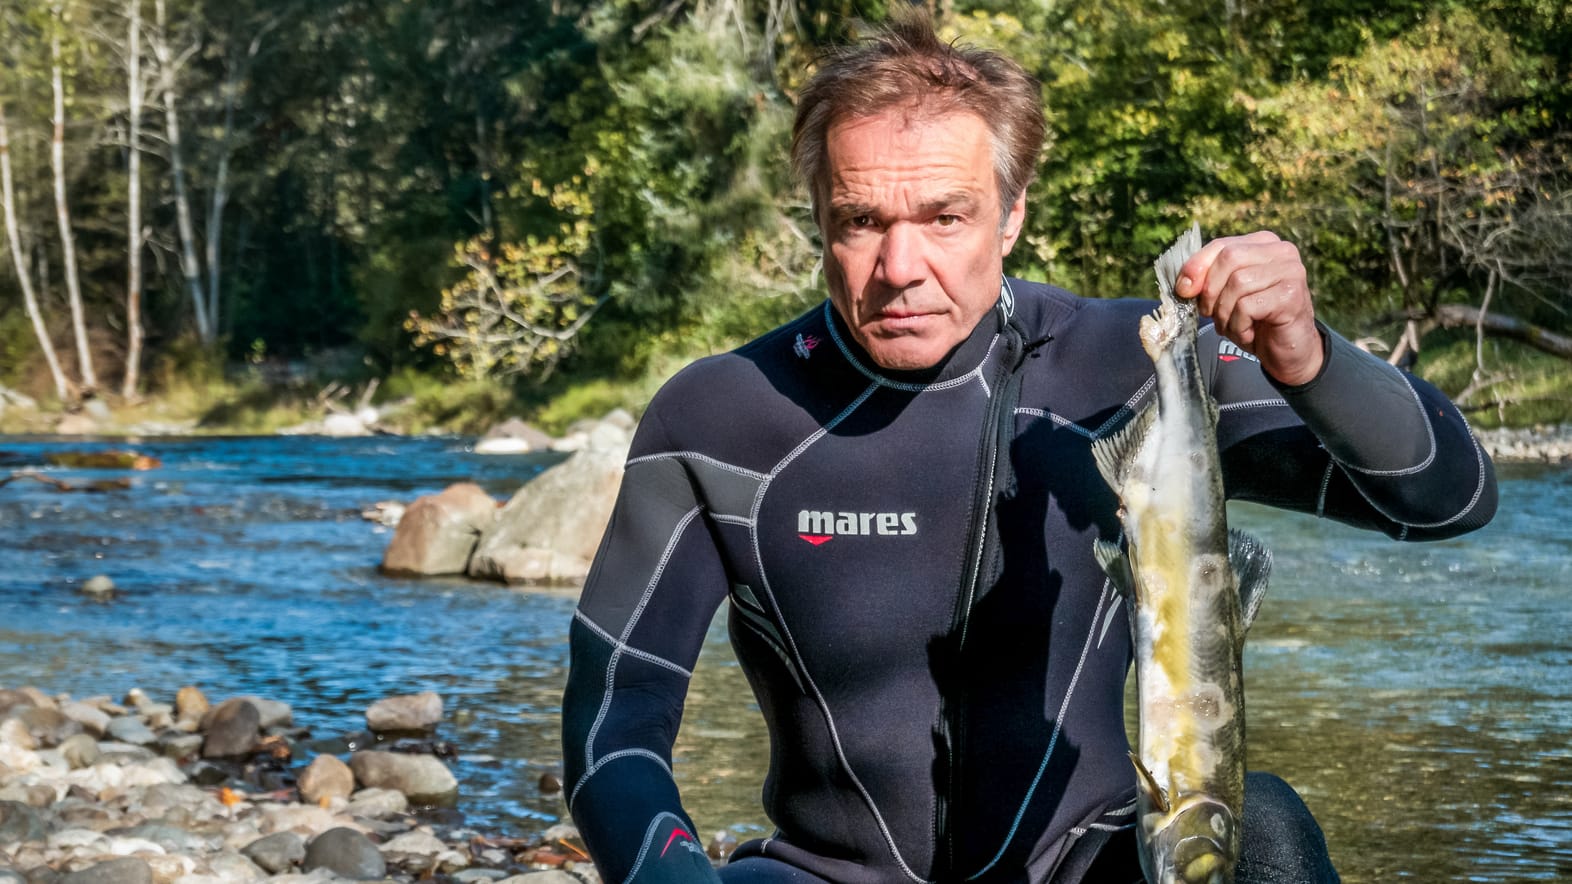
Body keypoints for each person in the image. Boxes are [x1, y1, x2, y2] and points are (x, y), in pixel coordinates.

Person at [560, 12, 1497, 884]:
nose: (900, 268)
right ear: (819, 217)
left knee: (1263, 836)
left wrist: (1309, 355)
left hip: (1085, 865)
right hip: (822, 874)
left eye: (945, 217)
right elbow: (616, 725)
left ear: (1010, 215)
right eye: (862, 221)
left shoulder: (1134, 368)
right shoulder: (724, 417)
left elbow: (1452, 498)